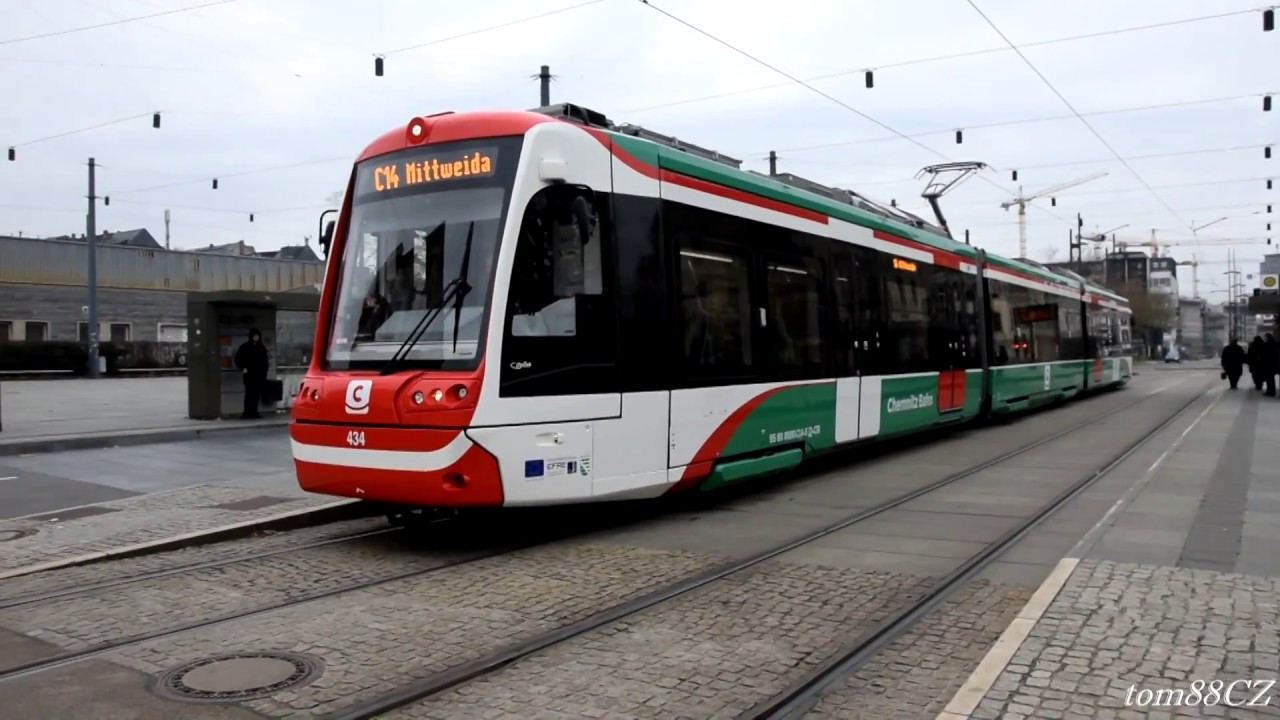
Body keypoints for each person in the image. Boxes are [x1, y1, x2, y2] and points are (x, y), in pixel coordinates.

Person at [234, 327, 270, 418]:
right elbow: (238, 358)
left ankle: (254, 412)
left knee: (256, 395)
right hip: (249, 375)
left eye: (257, 336)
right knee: (249, 394)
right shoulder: (245, 347)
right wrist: (243, 367)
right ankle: (247, 412)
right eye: (254, 336)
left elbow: (265, 362)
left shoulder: (261, 348)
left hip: (258, 375)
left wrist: (264, 373)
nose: (256, 338)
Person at [1264, 333, 1279, 397]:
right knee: (1271, 379)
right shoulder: (1275, 344)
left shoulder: (1267, 344)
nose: (1264, 339)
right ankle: (1270, 391)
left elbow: (1265, 354)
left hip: (1269, 364)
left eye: (1265, 337)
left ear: (1268, 337)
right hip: (1273, 364)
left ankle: (1270, 391)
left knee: (1269, 379)